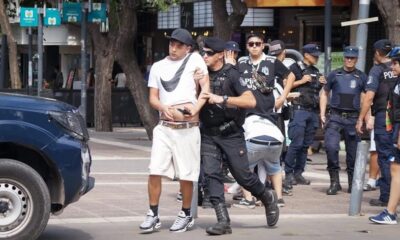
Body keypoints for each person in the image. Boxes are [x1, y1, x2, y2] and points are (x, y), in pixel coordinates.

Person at [198, 36, 279, 235]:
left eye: (208, 53)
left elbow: (250, 101)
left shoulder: (233, 74)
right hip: (208, 133)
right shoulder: (201, 75)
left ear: (220, 55)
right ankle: (223, 220)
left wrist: (223, 99)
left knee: (242, 176)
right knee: (211, 175)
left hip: (231, 133)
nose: (204, 56)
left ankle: (267, 196)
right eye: (203, 53)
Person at [139, 28, 209, 233]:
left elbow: (206, 88)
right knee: (155, 170)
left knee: (186, 174)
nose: (174, 48)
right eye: (171, 44)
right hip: (164, 127)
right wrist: (163, 107)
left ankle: (186, 213)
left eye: (179, 45)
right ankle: (153, 213)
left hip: (187, 127)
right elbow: (153, 97)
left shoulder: (195, 61)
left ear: (188, 48)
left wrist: (195, 108)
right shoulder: (158, 67)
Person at [233, 36, 294, 209]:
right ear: (247, 46)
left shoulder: (271, 62)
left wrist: (283, 97)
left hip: (267, 113)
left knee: (269, 161)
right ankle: (252, 196)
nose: (254, 47)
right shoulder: (242, 63)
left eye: (257, 44)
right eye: (251, 44)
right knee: (253, 158)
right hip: (246, 114)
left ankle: (277, 197)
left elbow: (290, 76)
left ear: (263, 46)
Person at [320, 46, 367, 195]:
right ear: (344, 58)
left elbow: (366, 99)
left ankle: (352, 184)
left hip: (353, 119)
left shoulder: (362, 76)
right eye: (347, 57)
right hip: (335, 117)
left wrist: (365, 118)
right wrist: (322, 114)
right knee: (331, 148)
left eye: (352, 58)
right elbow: (324, 93)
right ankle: (334, 182)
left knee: (352, 154)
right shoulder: (335, 74)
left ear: (356, 59)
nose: (349, 60)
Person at [356, 39, 395, 207]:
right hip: (397, 118)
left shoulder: (377, 70)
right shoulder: (397, 68)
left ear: (378, 53)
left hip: (384, 118)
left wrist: (361, 118)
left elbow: (369, 97)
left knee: (385, 157)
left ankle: (386, 197)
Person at [283, 43, 326, 189]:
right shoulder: (295, 67)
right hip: (299, 109)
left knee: (305, 145)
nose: (316, 58)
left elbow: (314, 91)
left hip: (312, 111)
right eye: (314, 55)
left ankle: (298, 173)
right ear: (306, 55)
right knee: (296, 143)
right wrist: (301, 81)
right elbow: (285, 85)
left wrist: (321, 83)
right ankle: (288, 173)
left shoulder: (315, 70)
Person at [370, 46, 400, 224]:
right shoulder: (397, 82)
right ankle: (390, 212)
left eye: (396, 63)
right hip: (395, 127)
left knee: (396, 169)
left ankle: (390, 212)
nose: (393, 66)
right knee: (395, 169)